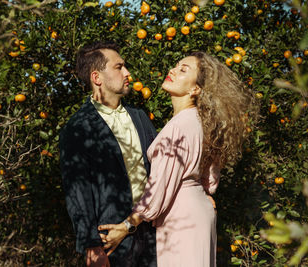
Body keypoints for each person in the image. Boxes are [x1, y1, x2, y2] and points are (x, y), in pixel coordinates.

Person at [98, 51, 256, 267]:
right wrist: (201, 192)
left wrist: (126, 226)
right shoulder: (202, 123)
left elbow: (157, 192)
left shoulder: (179, 126)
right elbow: (210, 179)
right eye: (176, 65)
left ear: (195, 89)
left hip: (181, 217)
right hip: (199, 211)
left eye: (184, 70)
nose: (173, 70)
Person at [59, 41, 157, 267]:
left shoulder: (140, 117)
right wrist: (91, 246)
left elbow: (161, 170)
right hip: (110, 241)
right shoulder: (78, 127)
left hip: (153, 233)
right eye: (119, 67)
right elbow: (77, 190)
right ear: (97, 78)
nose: (127, 73)